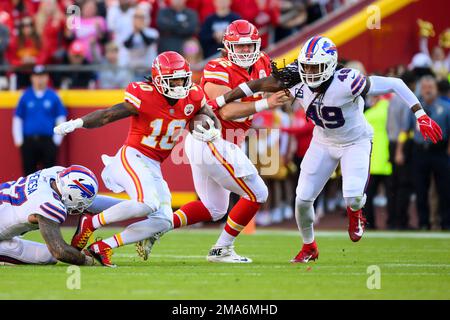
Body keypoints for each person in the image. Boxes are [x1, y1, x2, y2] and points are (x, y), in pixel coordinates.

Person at [208, 35, 443, 262]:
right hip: (322, 142)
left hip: (355, 142)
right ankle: (309, 246)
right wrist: (221, 100)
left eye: (316, 67)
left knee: (352, 196)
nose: (310, 72)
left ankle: (355, 212)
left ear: (330, 65)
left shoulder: (349, 81)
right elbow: (256, 84)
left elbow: (395, 83)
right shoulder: (297, 78)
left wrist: (420, 114)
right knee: (302, 200)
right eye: (307, 67)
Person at [136, 20, 289, 263]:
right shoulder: (217, 67)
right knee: (257, 193)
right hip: (212, 139)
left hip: (224, 143)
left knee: (214, 208)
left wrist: (292, 84)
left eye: (250, 46)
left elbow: (276, 83)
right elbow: (226, 111)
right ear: (227, 47)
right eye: (240, 47)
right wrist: (265, 103)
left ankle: (155, 227)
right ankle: (222, 249)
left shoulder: (263, 62)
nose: (246, 51)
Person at [54, 51, 222, 267]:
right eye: (174, 80)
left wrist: (213, 131)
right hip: (133, 155)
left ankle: (102, 247)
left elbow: (208, 115)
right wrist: (78, 123)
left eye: (182, 79)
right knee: (147, 204)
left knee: (164, 220)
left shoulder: (193, 95)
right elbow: (108, 115)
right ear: (159, 80)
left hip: (154, 164)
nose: (180, 84)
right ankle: (91, 222)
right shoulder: (144, 95)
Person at [0, 165, 98, 266]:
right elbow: (60, 252)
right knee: (48, 256)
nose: (81, 206)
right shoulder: (50, 204)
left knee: (44, 254)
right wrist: (88, 260)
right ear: (71, 194)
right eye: (81, 203)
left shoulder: (53, 173)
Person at [398, 76, 450, 230]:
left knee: (444, 188)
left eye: (430, 87)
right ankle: (423, 222)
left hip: (439, 151)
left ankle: (446, 222)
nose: (427, 90)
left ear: (436, 88)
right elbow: (404, 130)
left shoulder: (445, 107)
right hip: (419, 151)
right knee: (420, 189)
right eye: (425, 87)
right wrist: (400, 150)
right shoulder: (415, 107)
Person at [12, 65, 67, 176]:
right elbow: (18, 118)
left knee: (50, 174)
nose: (39, 79)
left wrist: (56, 140)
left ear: (47, 78)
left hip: (48, 141)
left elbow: (61, 118)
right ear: (32, 78)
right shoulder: (25, 96)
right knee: (28, 173)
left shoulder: (53, 96)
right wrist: (19, 140)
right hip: (29, 141)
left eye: (42, 76)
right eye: (37, 76)